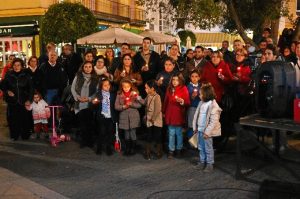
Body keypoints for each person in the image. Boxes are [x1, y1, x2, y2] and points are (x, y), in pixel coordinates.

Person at [192, 83, 222, 172]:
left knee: (208, 148)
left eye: (201, 94)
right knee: (201, 147)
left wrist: (207, 132)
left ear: (206, 94)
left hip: (206, 133)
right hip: (200, 130)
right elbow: (196, 115)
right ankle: (202, 161)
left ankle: (209, 164)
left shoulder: (213, 105)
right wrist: (195, 128)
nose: (199, 95)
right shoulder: (201, 103)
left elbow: (213, 121)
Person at [1, 58, 33, 140]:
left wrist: (29, 100)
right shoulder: (8, 74)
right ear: (12, 66)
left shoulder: (26, 75)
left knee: (25, 120)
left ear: (22, 66)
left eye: (18, 65)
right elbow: (2, 85)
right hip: (12, 102)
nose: (16, 67)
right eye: (15, 65)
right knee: (13, 120)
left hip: (24, 101)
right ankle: (14, 135)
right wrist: (7, 91)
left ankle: (25, 135)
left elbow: (31, 89)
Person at [71, 61, 98, 148]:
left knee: (90, 124)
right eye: (86, 67)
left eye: (90, 67)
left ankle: (90, 142)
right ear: (83, 67)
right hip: (80, 103)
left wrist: (89, 99)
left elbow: (97, 92)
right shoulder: (78, 76)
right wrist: (78, 97)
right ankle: (83, 141)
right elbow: (73, 88)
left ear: (92, 68)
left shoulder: (95, 78)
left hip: (89, 104)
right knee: (82, 124)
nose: (88, 68)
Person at [163, 72, 190, 158]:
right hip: (170, 113)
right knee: (171, 133)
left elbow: (187, 102)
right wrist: (163, 112)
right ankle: (171, 150)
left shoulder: (184, 88)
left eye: (177, 80)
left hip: (178, 113)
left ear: (180, 80)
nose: (175, 82)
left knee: (178, 133)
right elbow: (166, 101)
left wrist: (182, 101)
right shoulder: (169, 89)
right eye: (173, 80)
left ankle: (179, 149)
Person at [114, 78, 141, 156]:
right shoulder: (119, 94)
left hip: (134, 117)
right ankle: (127, 148)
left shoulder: (134, 94)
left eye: (128, 86)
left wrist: (131, 104)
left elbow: (139, 105)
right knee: (126, 133)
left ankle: (133, 148)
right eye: (124, 87)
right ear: (122, 87)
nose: (126, 88)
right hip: (124, 117)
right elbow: (116, 106)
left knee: (133, 132)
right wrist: (124, 106)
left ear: (131, 86)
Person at [138, 80, 163, 160]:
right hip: (149, 119)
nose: (145, 89)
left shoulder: (157, 97)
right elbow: (144, 103)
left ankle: (159, 151)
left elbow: (157, 109)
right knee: (148, 136)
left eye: (146, 88)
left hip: (156, 120)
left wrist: (153, 119)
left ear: (152, 88)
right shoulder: (148, 96)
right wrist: (138, 98)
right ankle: (147, 152)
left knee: (157, 136)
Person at [92, 78, 117, 155]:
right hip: (102, 116)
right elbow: (94, 105)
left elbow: (114, 106)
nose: (107, 86)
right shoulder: (98, 94)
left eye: (108, 85)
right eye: (105, 85)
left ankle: (108, 148)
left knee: (110, 133)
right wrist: (94, 103)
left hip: (110, 116)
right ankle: (99, 148)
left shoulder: (112, 95)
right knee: (101, 132)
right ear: (101, 86)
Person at [186, 70, 201, 139]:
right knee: (191, 125)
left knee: (199, 125)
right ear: (190, 77)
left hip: (200, 108)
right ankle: (191, 143)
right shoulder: (188, 87)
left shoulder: (201, 86)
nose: (194, 78)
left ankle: (198, 143)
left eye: (196, 76)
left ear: (199, 78)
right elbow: (186, 99)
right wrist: (192, 97)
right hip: (192, 108)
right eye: (192, 76)